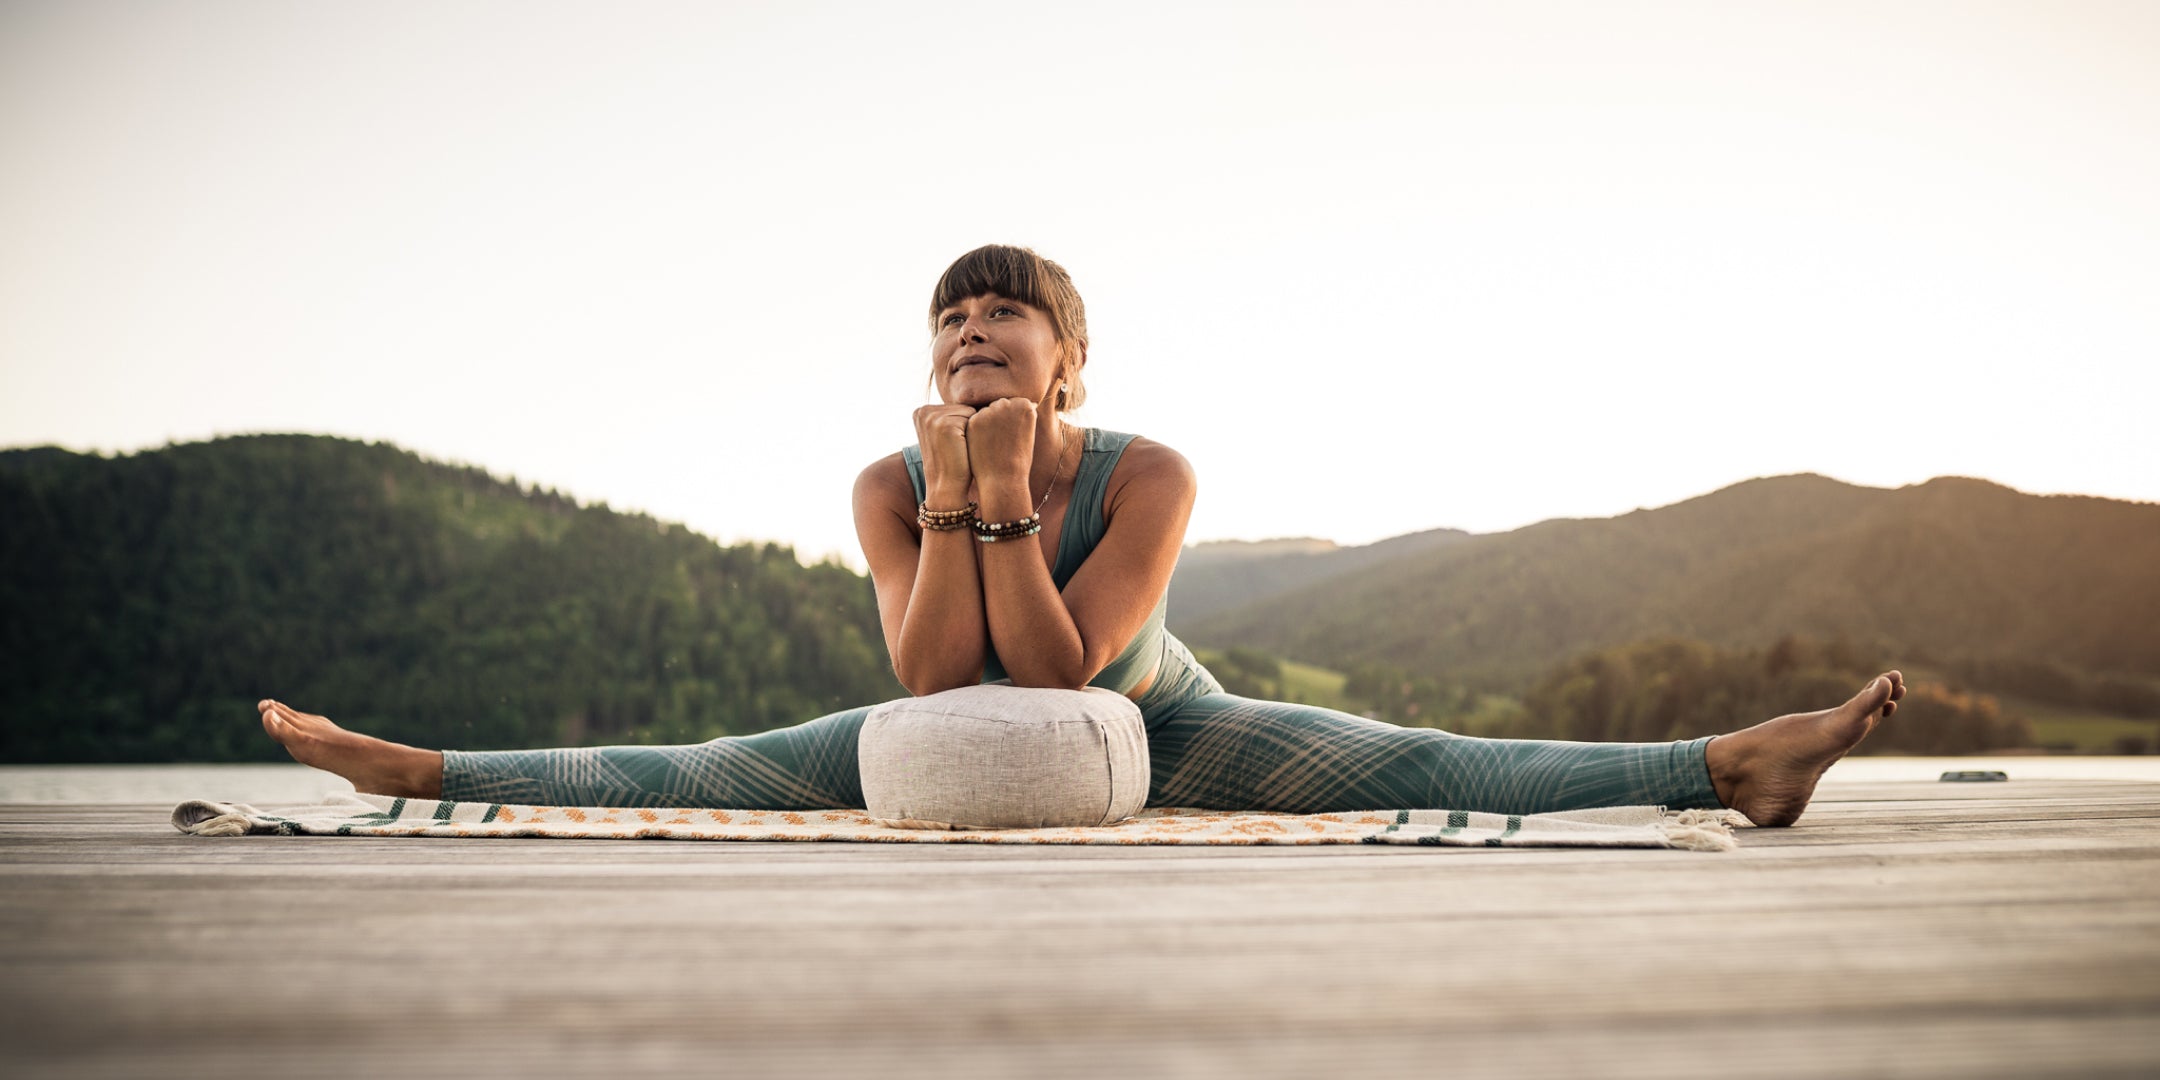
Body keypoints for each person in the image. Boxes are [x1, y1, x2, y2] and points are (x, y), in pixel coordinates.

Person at [261, 244, 1904, 828]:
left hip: (1160, 715)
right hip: (952, 729)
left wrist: (999, 494)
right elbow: (932, 672)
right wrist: (954, 490)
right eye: (952, 318)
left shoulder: (1153, 467)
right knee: (703, 761)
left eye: (1008, 315)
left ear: (1072, 361)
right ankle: (416, 769)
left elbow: (1075, 671)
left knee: (1434, 758)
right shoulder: (875, 483)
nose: (974, 331)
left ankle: (1735, 760)